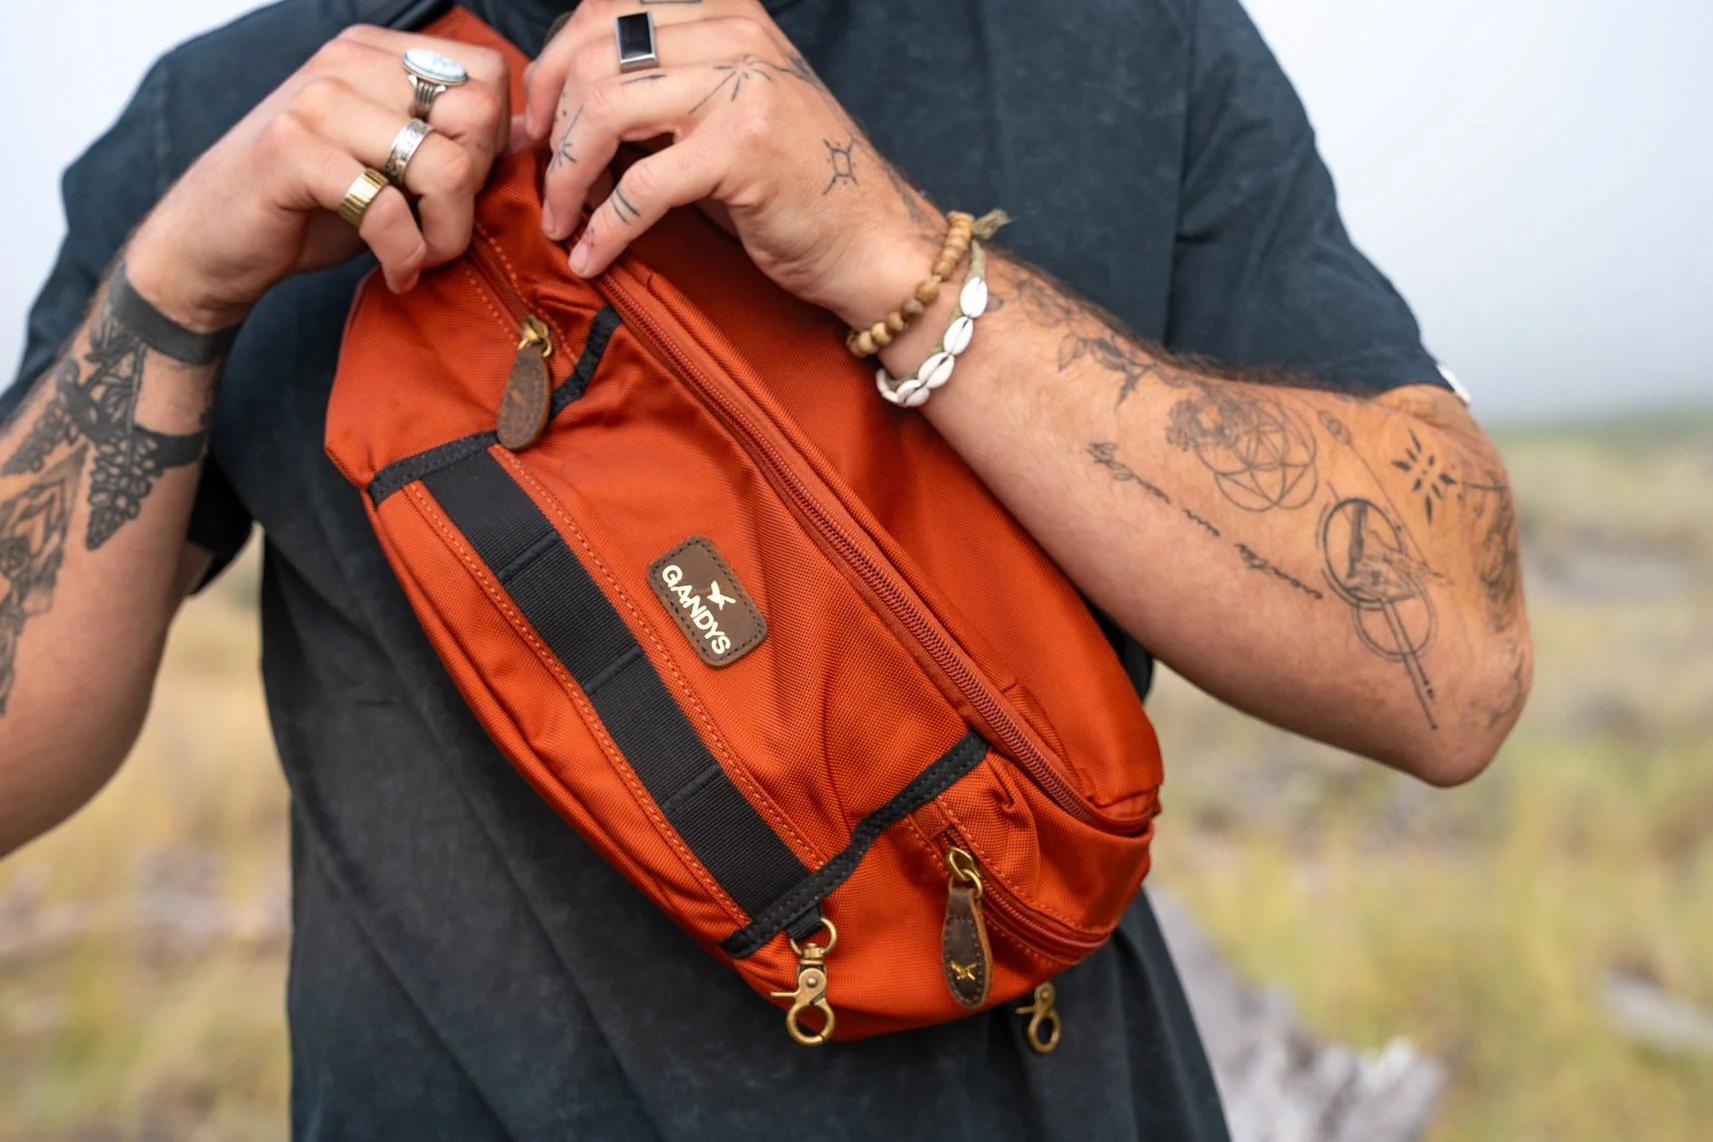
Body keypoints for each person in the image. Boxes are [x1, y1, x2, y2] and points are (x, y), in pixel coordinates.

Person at [0, 0, 1530, 1137]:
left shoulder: (1118, 43)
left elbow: (1454, 669)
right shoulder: (241, 115)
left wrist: (897, 254)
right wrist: (176, 286)